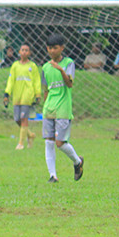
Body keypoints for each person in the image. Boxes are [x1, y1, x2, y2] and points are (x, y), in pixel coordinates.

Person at [40, 33, 84, 183]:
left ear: (62, 48)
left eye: (55, 48)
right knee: (49, 142)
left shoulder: (69, 63)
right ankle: (53, 176)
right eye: (49, 48)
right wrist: (44, 108)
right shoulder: (45, 67)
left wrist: (60, 69)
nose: (52, 51)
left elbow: (70, 84)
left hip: (63, 109)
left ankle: (77, 162)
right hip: (49, 109)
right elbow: (46, 90)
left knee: (60, 143)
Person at [2, 44, 42, 150]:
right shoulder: (15, 65)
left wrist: (38, 94)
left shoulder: (32, 66)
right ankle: (30, 135)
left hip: (27, 96)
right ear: (19, 52)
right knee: (17, 119)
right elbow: (11, 80)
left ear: (30, 53)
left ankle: (21, 143)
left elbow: (36, 80)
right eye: (22, 50)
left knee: (24, 119)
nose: (24, 52)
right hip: (17, 96)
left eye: (26, 50)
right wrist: (7, 94)